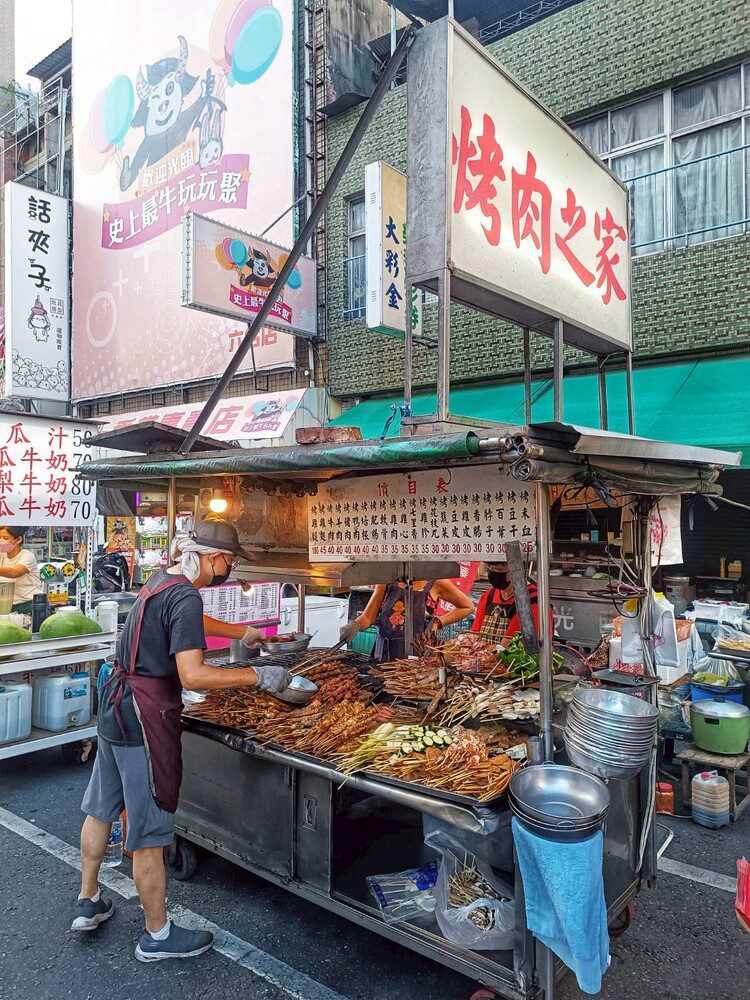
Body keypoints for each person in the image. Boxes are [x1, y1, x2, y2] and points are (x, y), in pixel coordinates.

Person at [74, 518, 292, 962]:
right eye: (229, 560)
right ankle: (156, 935)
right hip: (143, 715)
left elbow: (188, 619)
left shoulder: (163, 580)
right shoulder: (186, 597)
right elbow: (193, 674)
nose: (229, 568)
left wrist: (239, 632)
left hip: (115, 704)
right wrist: (258, 676)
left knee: (101, 806)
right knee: (150, 829)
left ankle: (89, 899)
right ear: (213, 558)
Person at [340, 579, 474, 661]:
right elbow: (368, 617)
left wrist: (438, 622)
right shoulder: (386, 581)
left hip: (417, 652)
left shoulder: (436, 582)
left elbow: (467, 606)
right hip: (385, 652)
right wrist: (356, 624)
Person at [471, 562, 542, 646]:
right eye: (489, 567)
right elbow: (475, 634)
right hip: (484, 657)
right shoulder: (489, 595)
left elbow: (508, 647)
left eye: (498, 569)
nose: (492, 571)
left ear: (516, 570)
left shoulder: (531, 600)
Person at [0, 525, 43, 614]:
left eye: (5, 538)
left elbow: (15, 572)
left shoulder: (27, 556)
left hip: (29, 604)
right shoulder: (2, 555)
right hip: (10, 605)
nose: (1, 541)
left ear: (18, 540)